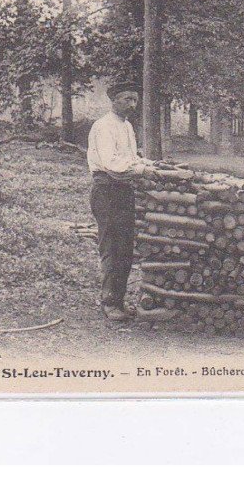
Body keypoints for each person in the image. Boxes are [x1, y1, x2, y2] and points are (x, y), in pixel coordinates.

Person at [87, 82, 152, 321]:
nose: (132, 105)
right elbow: (112, 164)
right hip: (107, 190)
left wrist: (141, 166)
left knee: (125, 247)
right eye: (127, 99)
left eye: (135, 100)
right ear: (114, 100)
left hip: (124, 190)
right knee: (112, 247)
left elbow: (131, 159)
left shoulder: (127, 127)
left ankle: (119, 300)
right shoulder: (103, 127)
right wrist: (141, 170)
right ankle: (109, 302)